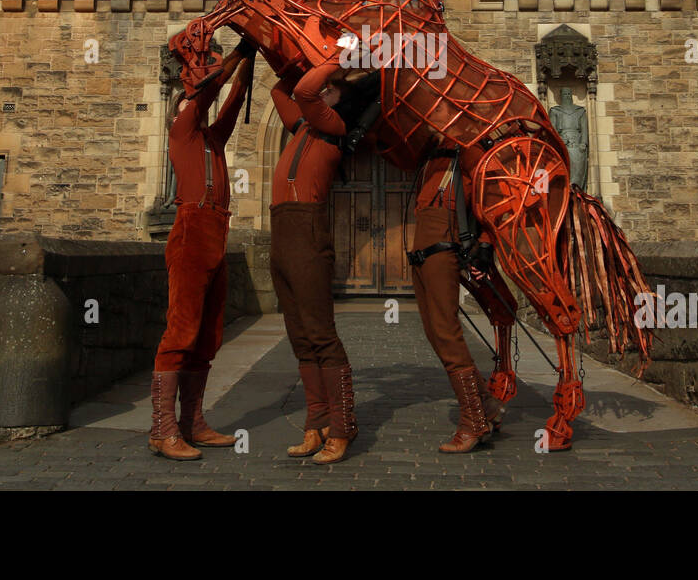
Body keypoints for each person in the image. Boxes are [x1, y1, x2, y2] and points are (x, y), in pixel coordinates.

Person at [269, 52, 379, 465]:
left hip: (308, 232)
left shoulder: (333, 127)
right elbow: (284, 88)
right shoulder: (301, 127)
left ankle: (342, 425)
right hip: (281, 232)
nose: (321, 91)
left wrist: (335, 59)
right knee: (299, 336)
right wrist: (295, 57)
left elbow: (303, 90)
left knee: (320, 333)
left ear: (337, 98)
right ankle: (315, 424)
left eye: (329, 89)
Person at [149, 37, 253, 461]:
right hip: (191, 232)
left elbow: (233, 99)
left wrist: (249, 55)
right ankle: (162, 428)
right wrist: (231, 58)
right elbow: (209, 91)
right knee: (181, 331)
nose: (191, 106)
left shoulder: (211, 140)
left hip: (216, 233)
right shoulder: (182, 127)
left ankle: (193, 422)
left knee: (207, 336)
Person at [406, 146, 506, 454]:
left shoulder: (469, 153)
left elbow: (495, 198)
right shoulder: (429, 155)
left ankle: (473, 421)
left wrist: (486, 244)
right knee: (434, 332)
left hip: (443, 247)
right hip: (421, 248)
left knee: (447, 332)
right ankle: (486, 405)